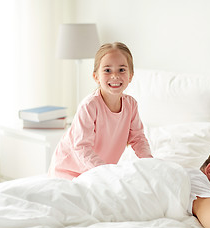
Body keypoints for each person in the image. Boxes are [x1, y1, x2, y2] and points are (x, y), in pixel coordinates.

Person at [48, 42, 153, 180]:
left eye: (121, 70)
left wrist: (150, 164)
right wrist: (106, 172)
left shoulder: (131, 105)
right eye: (107, 70)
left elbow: (138, 138)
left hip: (99, 172)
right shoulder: (89, 106)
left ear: (131, 76)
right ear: (96, 76)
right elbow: (82, 147)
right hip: (68, 172)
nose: (115, 75)